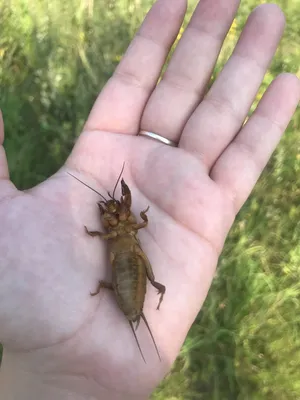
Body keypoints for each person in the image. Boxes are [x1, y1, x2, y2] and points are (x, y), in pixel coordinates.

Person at [0, 0, 299, 399]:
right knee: (135, 267)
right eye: (112, 215)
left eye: (115, 213)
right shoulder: (123, 230)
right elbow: (122, 228)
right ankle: (141, 302)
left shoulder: (116, 231)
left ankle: (140, 302)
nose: (115, 215)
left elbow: (115, 231)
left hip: (127, 270)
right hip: (129, 270)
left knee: (133, 267)